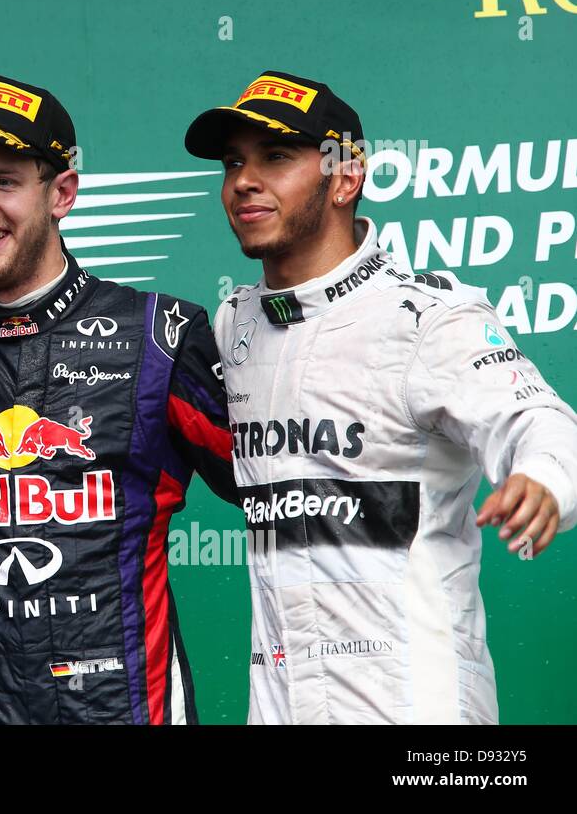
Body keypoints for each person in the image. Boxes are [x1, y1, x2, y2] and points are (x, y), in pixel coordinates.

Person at [184, 70, 577, 724]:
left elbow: (542, 422)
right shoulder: (235, 322)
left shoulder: (428, 318)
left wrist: (544, 479)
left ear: (345, 177)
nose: (243, 181)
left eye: (276, 157)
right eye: (233, 163)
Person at [0, 75, 237, 724]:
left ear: (62, 191)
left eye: (4, 181)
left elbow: (272, 481)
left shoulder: (161, 337)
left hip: (124, 711)